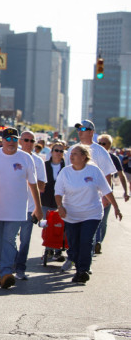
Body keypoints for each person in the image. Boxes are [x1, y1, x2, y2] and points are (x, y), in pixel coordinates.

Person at [0, 127, 42, 290]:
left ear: (18, 141)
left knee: (9, 240)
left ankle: (5, 273)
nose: (11, 142)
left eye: (14, 139)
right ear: (2, 140)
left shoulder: (25, 158)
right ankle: (1, 272)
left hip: (17, 209)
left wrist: (38, 207)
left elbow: (33, 184)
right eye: (8, 139)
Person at [55, 144, 122, 284]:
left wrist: (116, 207)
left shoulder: (94, 171)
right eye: (71, 154)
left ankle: (82, 270)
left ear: (84, 157)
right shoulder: (65, 172)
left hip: (92, 213)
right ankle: (78, 265)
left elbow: (106, 190)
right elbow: (58, 193)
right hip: (71, 214)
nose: (71, 156)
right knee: (74, 244)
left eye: (75, 154)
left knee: (86, 241)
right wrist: (60, 206)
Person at [64, 121, 117, 268]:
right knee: (73, 234)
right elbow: (66, 173)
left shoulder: (100, 151)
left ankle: (84, 265)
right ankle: (73, 257)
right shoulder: (72, 150)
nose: (80, 131)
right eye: (78, 129)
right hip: (73, 199)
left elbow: (108, 175)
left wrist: (106, 197)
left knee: (87, 237)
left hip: (93, 200)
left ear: (92, 132)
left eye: (83, 129)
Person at [14, 131, 47, 280]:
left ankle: (20, 268)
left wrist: (29, 176)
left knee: (25, 240)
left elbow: (42, 186)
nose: (29, 143)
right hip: (12, 204)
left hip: (29, 206)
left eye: (32, 141)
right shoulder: (12, 156)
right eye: (26, 140)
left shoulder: (38, 161)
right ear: (20, 141)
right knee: (9, 238)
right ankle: (12, 262)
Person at [95, 134, 130, 254]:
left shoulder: (113, 158)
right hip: (91, 193)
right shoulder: (90, 155)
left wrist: (126, 191)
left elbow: (121, 175)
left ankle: (98, 242)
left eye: (104, 144)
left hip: (107, 193)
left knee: (103, 220)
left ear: (109, 146)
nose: (101, 146)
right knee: (91, 219)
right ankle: (91, 242)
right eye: (99, 143)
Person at [40, 141, 67, 262]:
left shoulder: (67, 167)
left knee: (59, 224)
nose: (58, 153)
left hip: (61, 199)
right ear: (51, 152)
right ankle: (48, 249)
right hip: (46, 199)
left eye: (61, 151)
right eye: (56, 150)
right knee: (47, 224)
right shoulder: (44, 165)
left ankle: (58, 251)